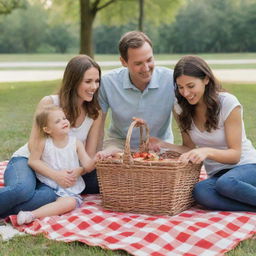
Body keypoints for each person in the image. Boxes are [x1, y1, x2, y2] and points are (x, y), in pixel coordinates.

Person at [149, 55, 256, 211]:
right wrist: (162, 144)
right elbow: (189, 148)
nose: (185, 93)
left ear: (206, 79)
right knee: (201, 192)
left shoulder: (228, 103)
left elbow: (235, 155)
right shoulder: (181, 109)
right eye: (180, 87)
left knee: (226, 183)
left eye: (191, 86)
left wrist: (206, 151)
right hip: (219, 175)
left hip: (247, 166)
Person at [0, 55, 102, 218]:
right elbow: (34, 146)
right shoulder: (49, 103)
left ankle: (15, 212)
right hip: (29, 160)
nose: (94, 87)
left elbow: (88, 159)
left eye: (97, 81)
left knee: (47, 197)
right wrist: (55, 175)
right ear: (74, 81)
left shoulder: (94, 114)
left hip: (57, 176)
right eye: (88, 81)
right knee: (22, 190)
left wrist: (76, 172)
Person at [17, 105, 97, 225]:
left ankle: (31, 215)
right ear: (47, 129)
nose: (64, 122)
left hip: (68, 188)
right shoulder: (43, 143)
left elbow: (88, 165)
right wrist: (54, 176)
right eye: (57, 121)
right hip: (48, 184)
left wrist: (96, 159)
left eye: (64, 118)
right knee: (43, 196)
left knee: (70, 203)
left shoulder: (76, 143)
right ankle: (20, 208)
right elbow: (32, 161)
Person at [98, 31, 175, 153]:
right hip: (118, 147)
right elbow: (97, 129)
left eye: (149, 60)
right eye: (138, 63)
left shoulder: (171, 80)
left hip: (159, 148)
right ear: (123, 62)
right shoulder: (107, 83)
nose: (146, 68)